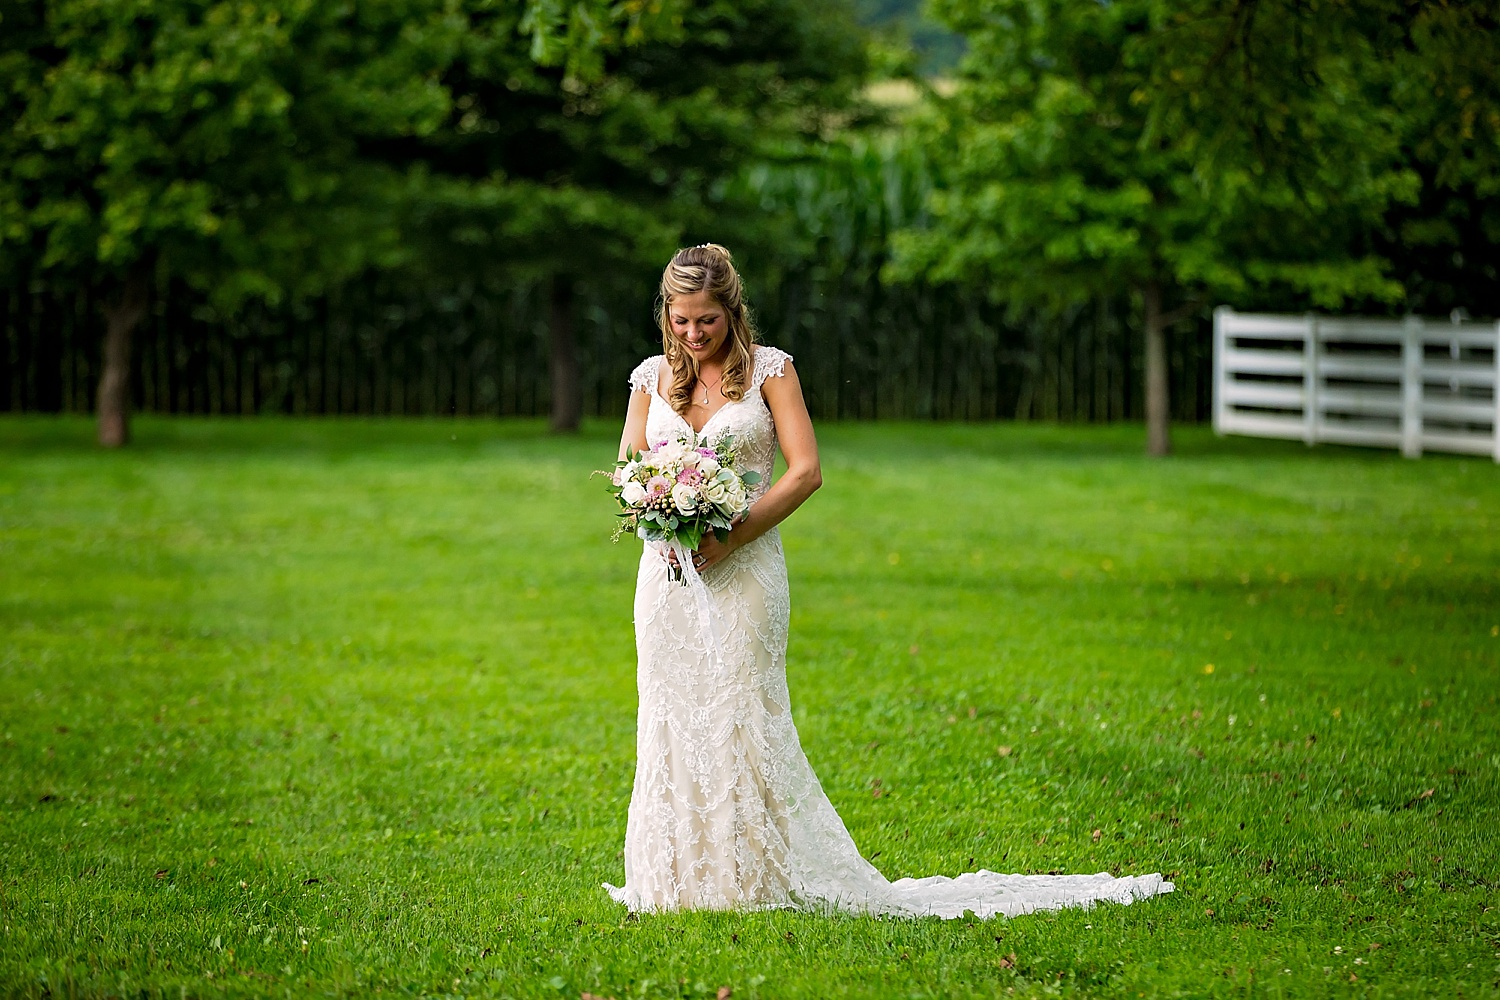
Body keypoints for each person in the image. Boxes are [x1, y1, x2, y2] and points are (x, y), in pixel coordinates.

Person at [604, 243, 1174, 917]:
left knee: (738, 716)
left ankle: (744, 880)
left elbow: (805, 470)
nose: (693, 335)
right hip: (667, 580)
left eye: (707, 321)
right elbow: (630, 466)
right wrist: (662, 516)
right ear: (666, 316)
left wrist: (732, 536)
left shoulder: (769, 372)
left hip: (746, 571)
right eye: (680, 321)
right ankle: (674, 879)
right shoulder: (649, 379)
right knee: (671, 714)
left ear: (732, 311)